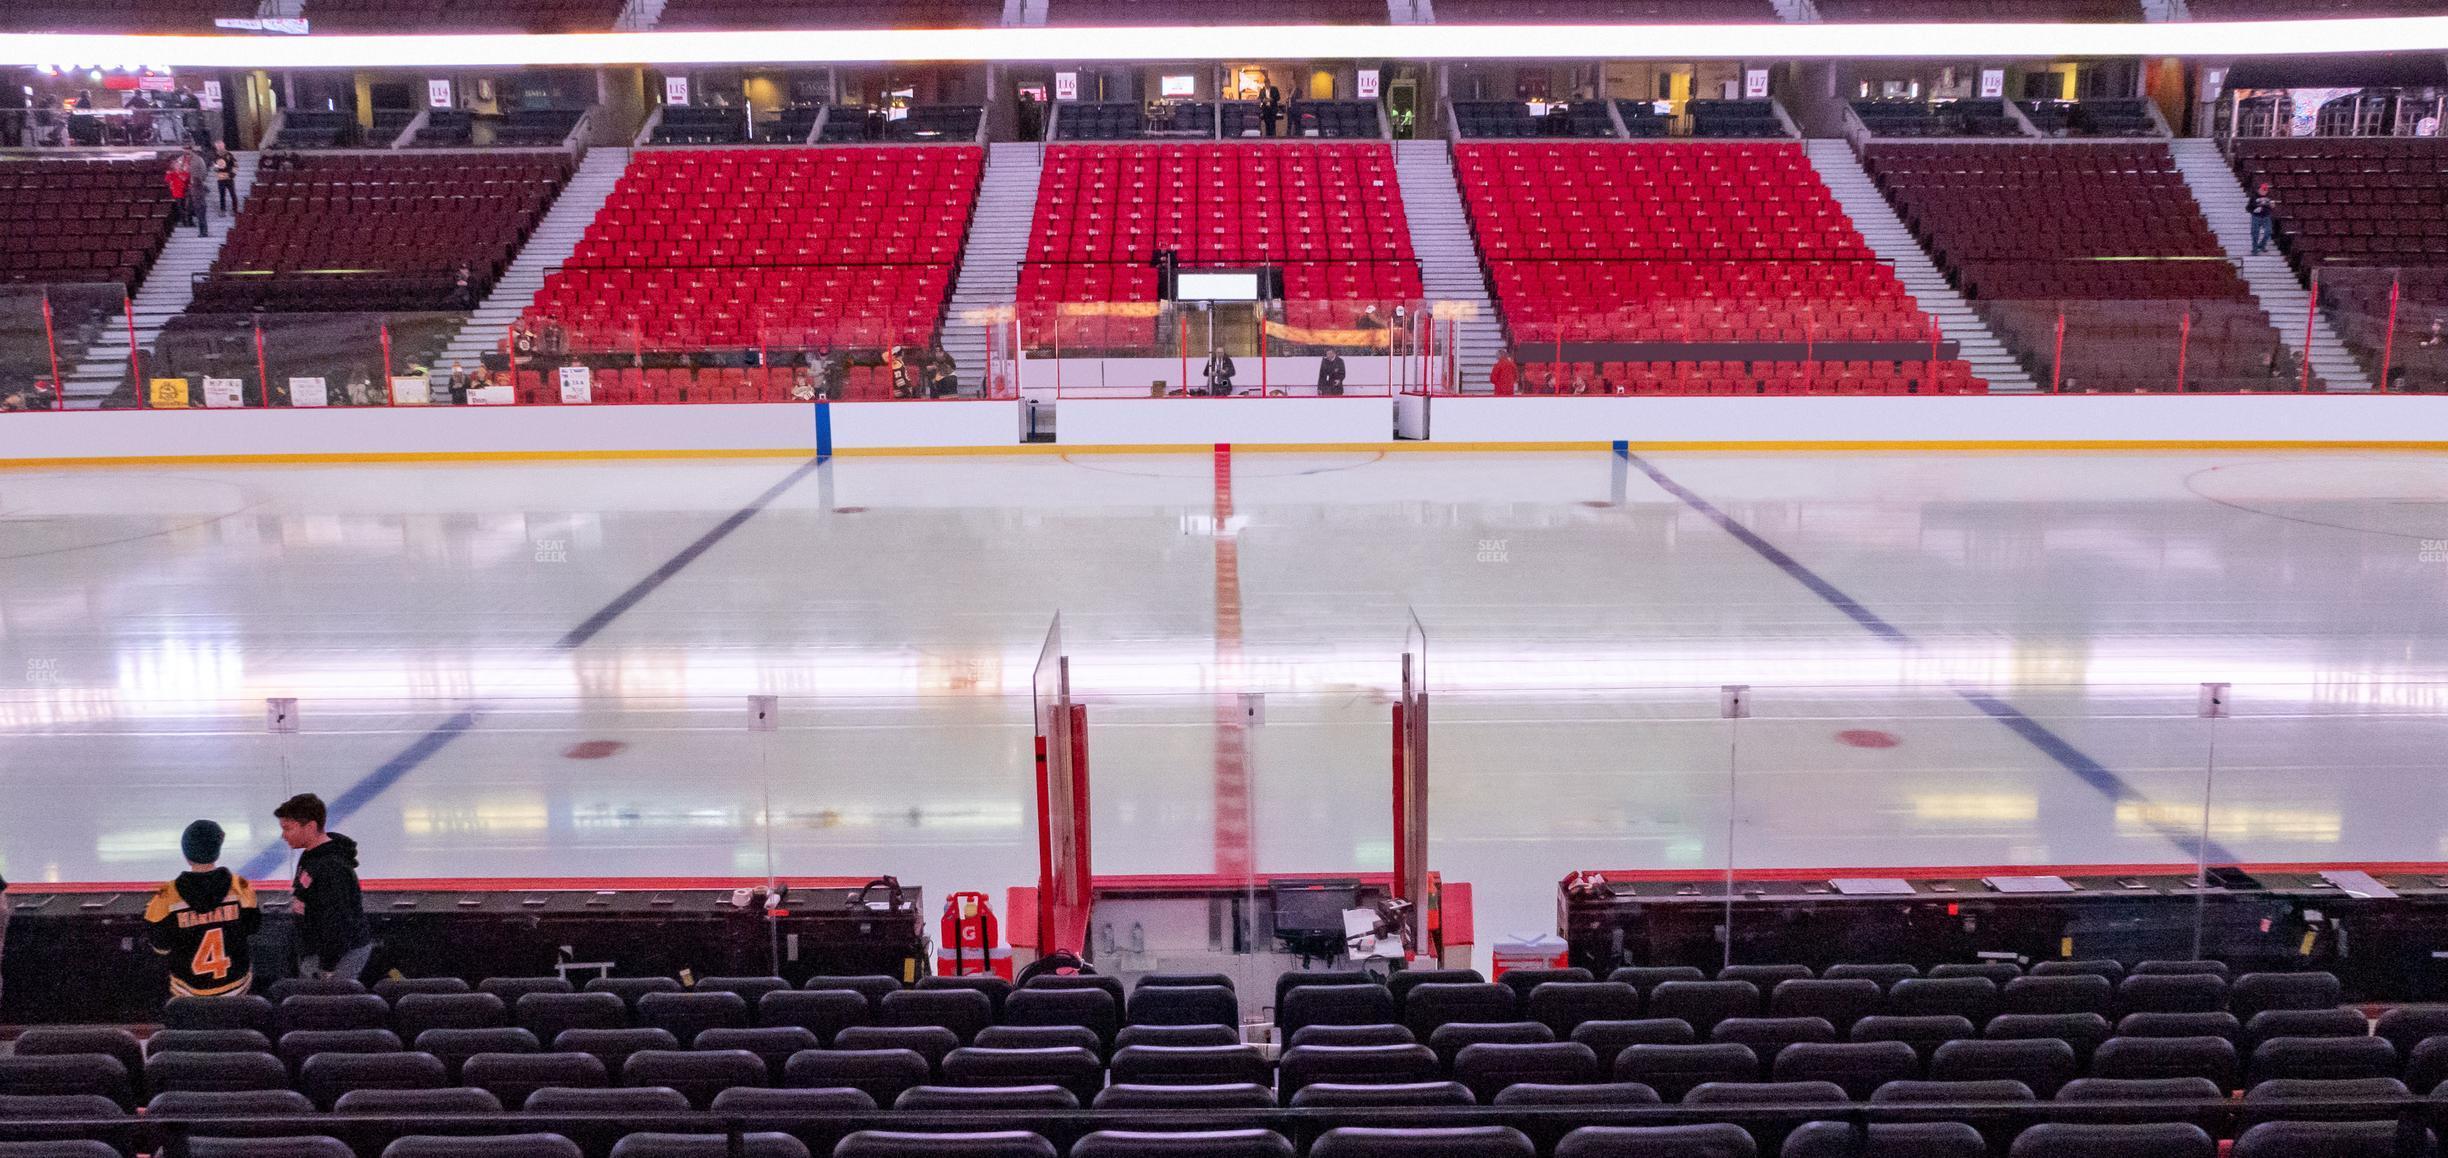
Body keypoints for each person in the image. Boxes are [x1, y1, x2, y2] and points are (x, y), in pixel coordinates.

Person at [143, 820, 263, 998]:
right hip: (237, 987)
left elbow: (161, 946)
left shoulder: (166, 895)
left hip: (187, 993)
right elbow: (253, 927)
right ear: (217, 851)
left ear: (186, 854)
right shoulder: (240, 887)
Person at [276, 793, 372, 982]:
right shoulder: (310, 856)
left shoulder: (333, 868)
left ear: (310, 826)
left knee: (329, 1007)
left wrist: (327, 968)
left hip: (338, 959)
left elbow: (338, 924)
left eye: (288, 828)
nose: (283, 835)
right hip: (317, 952)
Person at [2247, 182, 2278, 256]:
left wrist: (2272, 206)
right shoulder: (2254, 197)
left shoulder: (2270, 196)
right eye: (2263, 190)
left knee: (2268, 232)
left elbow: (2272, 206)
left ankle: (2261, 245)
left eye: (2265, 190)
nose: (2264, 192)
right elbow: (2248, 207)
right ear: (2259, 189)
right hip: (2256, 217)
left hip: (2266, 217)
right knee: (2255, 234)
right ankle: (2254, 249)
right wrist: (2253, 211)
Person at [163, 157, 191, 229]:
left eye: (178, 165)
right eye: (176, 165)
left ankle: (185, 222)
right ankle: (182, 221)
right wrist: (169, 174)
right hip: (175, 194)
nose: (177, 166)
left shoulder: (185, 173)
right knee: (178, 208)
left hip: (183, 194)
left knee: (182, 208)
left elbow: (185, 180)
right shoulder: (172, 173)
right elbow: (166, 180)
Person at [211, 142, 237, 215]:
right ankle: (223, 210)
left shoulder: (229, 155)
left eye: (220, 146)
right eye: (217, 147)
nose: (219, 148)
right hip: (220, 179)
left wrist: (232, 174)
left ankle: (235, 209)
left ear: (223, 146)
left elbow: (235, 165)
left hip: (229, 178)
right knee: (222, 195)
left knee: (233, 194)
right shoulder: (216, 156)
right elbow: (215, 166)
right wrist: (215, 169)